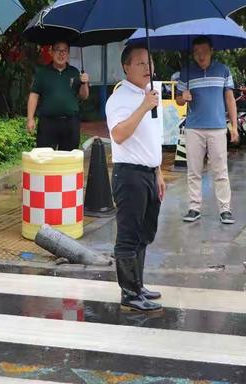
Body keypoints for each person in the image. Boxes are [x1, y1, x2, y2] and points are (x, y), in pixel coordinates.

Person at [105, 44, 166, 312]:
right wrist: (143, 106)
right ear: (126, 68)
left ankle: (138, 284)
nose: (147, 67)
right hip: (128, 174)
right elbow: (118, 134)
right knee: (129, 235)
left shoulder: (151, 93)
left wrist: (159, 172)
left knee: (144, 233)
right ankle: (128, 292)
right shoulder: (119, 97)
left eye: (149, 61)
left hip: (149, 173)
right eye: (140, 63)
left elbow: (153, 138)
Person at [175, 36, 239, 225]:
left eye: (203, 51)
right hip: (193, 127)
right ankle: (194, 207)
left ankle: (225, 209)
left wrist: (234, 126)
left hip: (218, 128)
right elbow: (178, 99)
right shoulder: (186, 73)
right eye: (196, 52)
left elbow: (229, 99)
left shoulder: (223, 70)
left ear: (211, 50)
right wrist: (182, 97)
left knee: (220, 171)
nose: (200, 56)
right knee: (193, 170)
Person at [27, 41, 89, 151]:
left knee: (67, 161)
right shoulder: (42, 73)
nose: (61, 54)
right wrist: (30, 119)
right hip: (48, 123)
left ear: (68, 53)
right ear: (51, 52)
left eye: (65, 50)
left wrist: (84, 83)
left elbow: (84, 96)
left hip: (70, 123)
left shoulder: (74, 72)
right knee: (45, 158)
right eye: (58, 50)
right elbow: (34, 96)